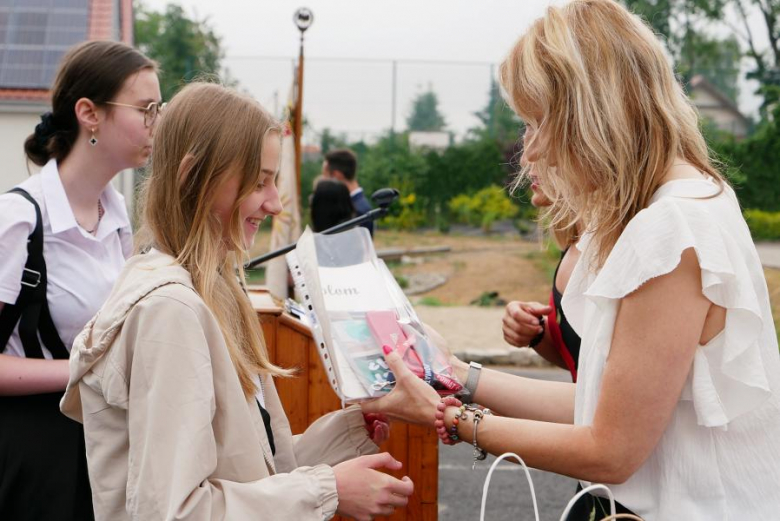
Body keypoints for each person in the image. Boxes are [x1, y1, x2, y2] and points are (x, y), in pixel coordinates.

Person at [364, 1, 780, 519]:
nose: (530, 152)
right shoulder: (684, 201)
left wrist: (450, 417)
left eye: (537, 123)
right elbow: (603, 408)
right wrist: (456, 375)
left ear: (592, 114)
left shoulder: (671, 229)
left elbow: (611, 450)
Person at [60, 82, 411, 521]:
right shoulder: (170, 312)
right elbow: (176, 511)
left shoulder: (215, 291)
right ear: (194, 177)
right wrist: (328, 490)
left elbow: (253, 469)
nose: (275, 204)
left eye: (274, 181)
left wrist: (352, 430)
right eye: (259, 182)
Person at [0, 40, 160, 521]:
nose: (155, 124)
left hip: (102, 447)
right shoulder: (18, 219)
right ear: (89, 114)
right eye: (145, 109)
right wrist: (82, 371)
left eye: (159, 109)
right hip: (31, 456)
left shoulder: (118, 214)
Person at [502, 161, 582, 381]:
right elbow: (581, 362)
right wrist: (536, 332)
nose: (526, 159)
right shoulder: (573, 246)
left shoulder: (615, 253)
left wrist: (467, 375)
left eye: (544, 145)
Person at [322, 148, 373, 236]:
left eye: (325, 176)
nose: (323, 180)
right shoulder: (357, 205)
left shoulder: (358, 211)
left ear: (336, 175)